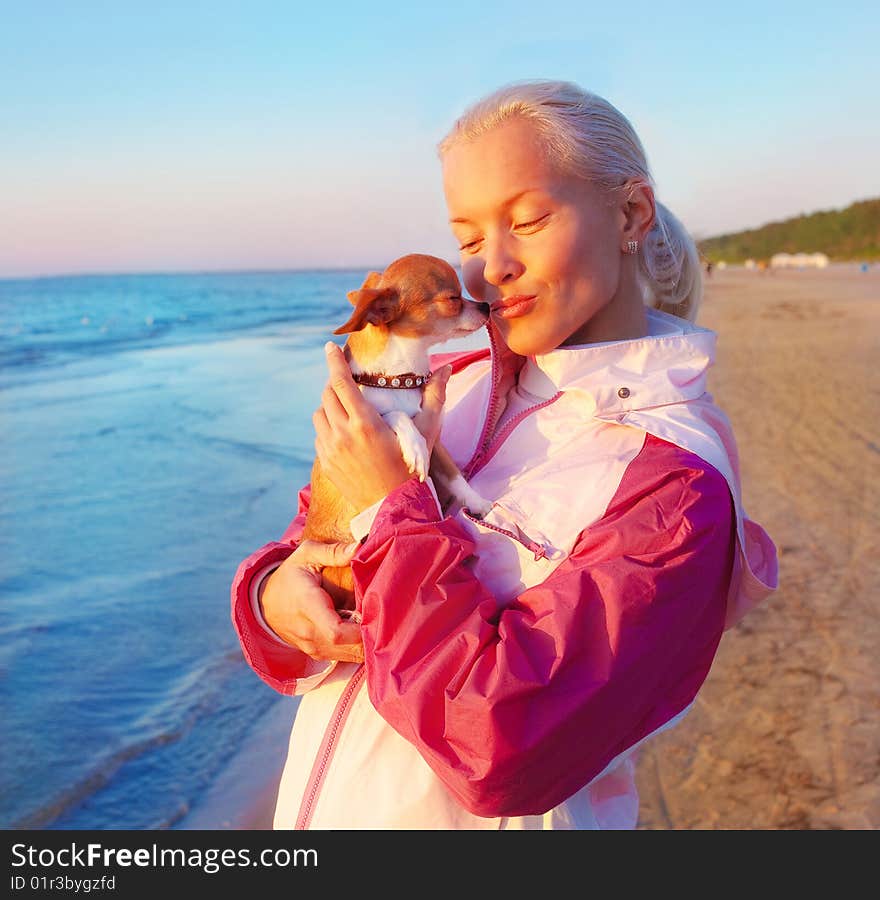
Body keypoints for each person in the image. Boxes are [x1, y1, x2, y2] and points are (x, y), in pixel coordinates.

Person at [230, 79, 778, 830]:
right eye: (469, 240)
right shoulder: (443, 388)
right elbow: (304, 542)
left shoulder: (675, 483)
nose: (492, 269)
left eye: (527, 220)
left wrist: (391, 511)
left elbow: (503, 749)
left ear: (630, 213)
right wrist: (273, 602)